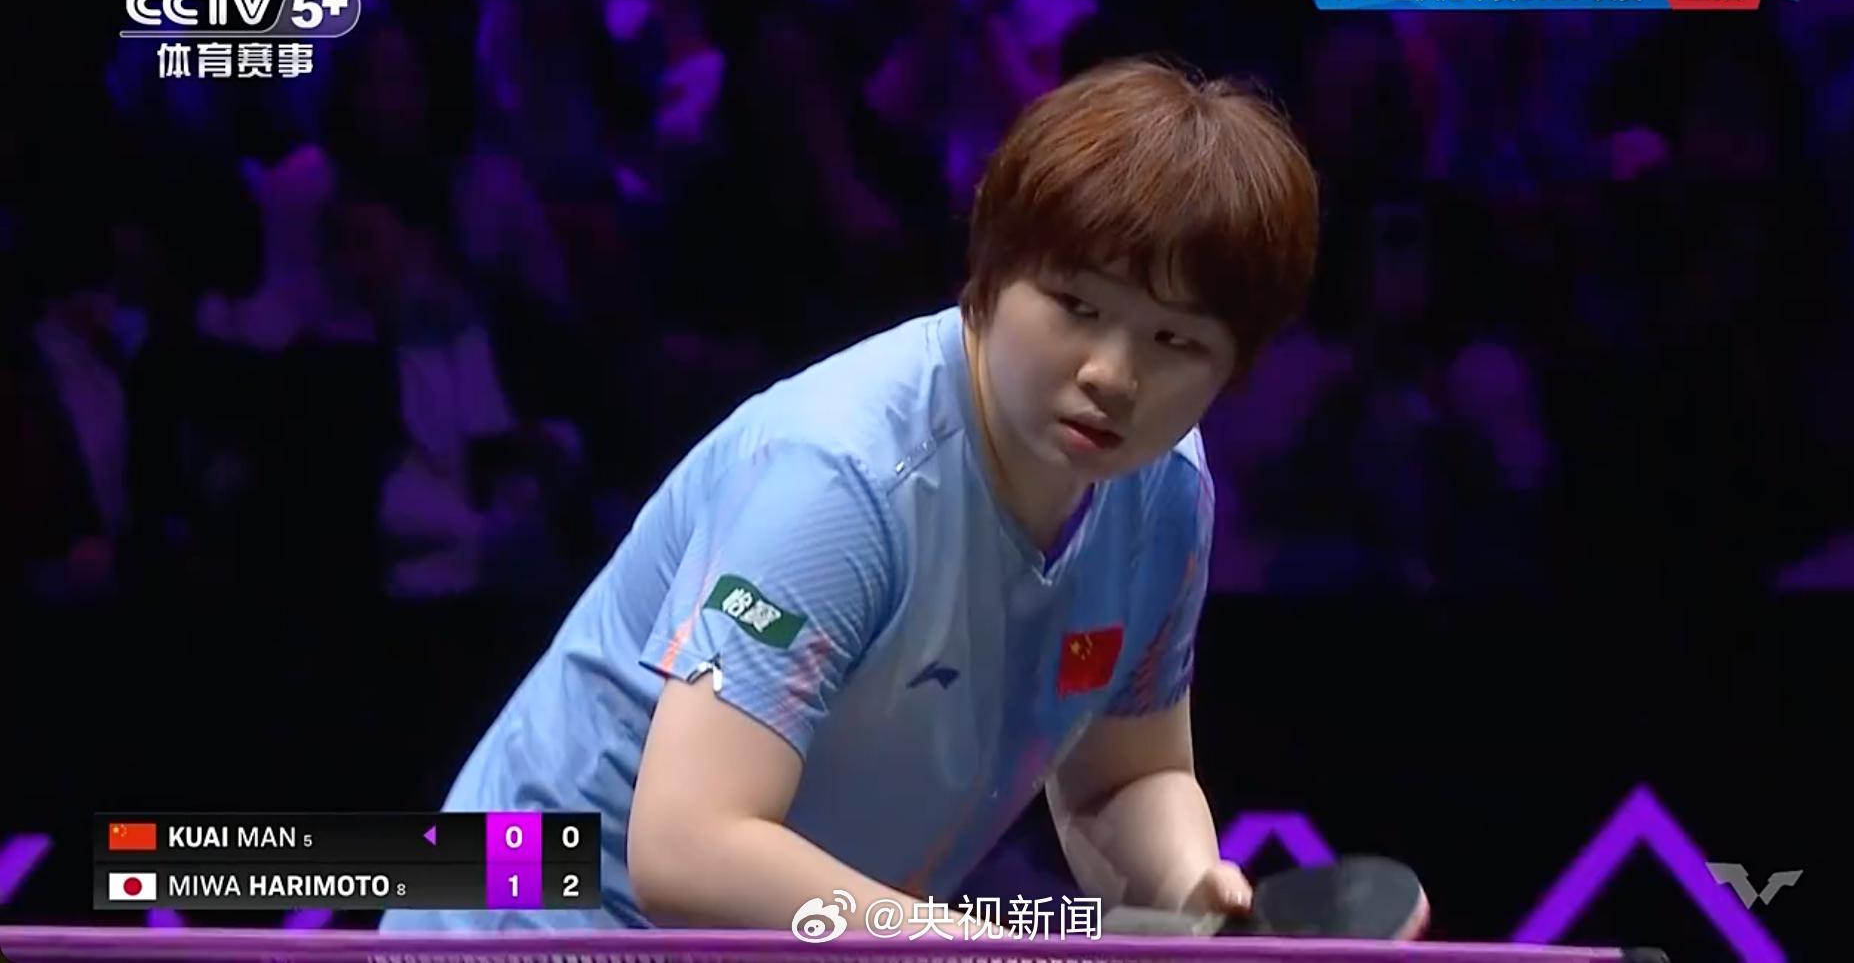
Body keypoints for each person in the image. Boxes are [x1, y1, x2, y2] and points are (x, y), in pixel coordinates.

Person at [381, 57, 1425, 938]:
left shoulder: (1161, 494)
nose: (1112, 374)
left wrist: (1189, 887)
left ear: (1233, 367)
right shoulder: (841, 478)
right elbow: (687, 849)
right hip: (522, 928)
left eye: (1174, 340)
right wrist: (976, 946)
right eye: (1075, 306)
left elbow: (1121, 779)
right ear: (991, 273)